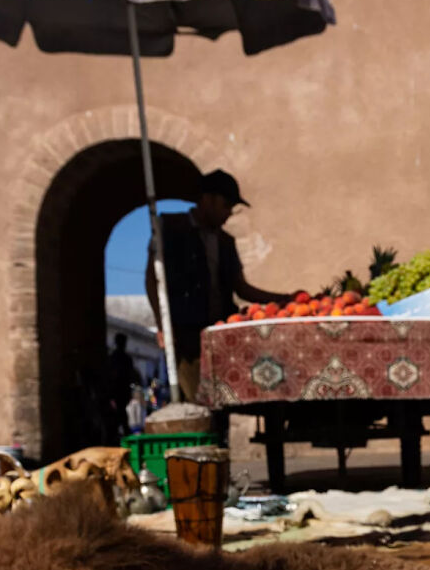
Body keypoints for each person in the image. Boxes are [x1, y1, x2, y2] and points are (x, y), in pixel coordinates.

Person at [146, 169, 292, 403]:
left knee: (225, 402)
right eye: (225, 206)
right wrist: (162, 325)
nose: (228, 215)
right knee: (198, 403)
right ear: (207, 199)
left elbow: (241, 288)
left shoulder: (225, 242)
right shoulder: (171, 228)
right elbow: (153, 279)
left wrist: (285, 299)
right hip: (187, 338)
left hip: (221, 337)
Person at [106, 331, 141, 440]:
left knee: (120, 416)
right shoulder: (121, 358)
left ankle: (118, 436)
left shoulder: (117, 358)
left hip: (119, 392)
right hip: (118, 392)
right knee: (119, 416)